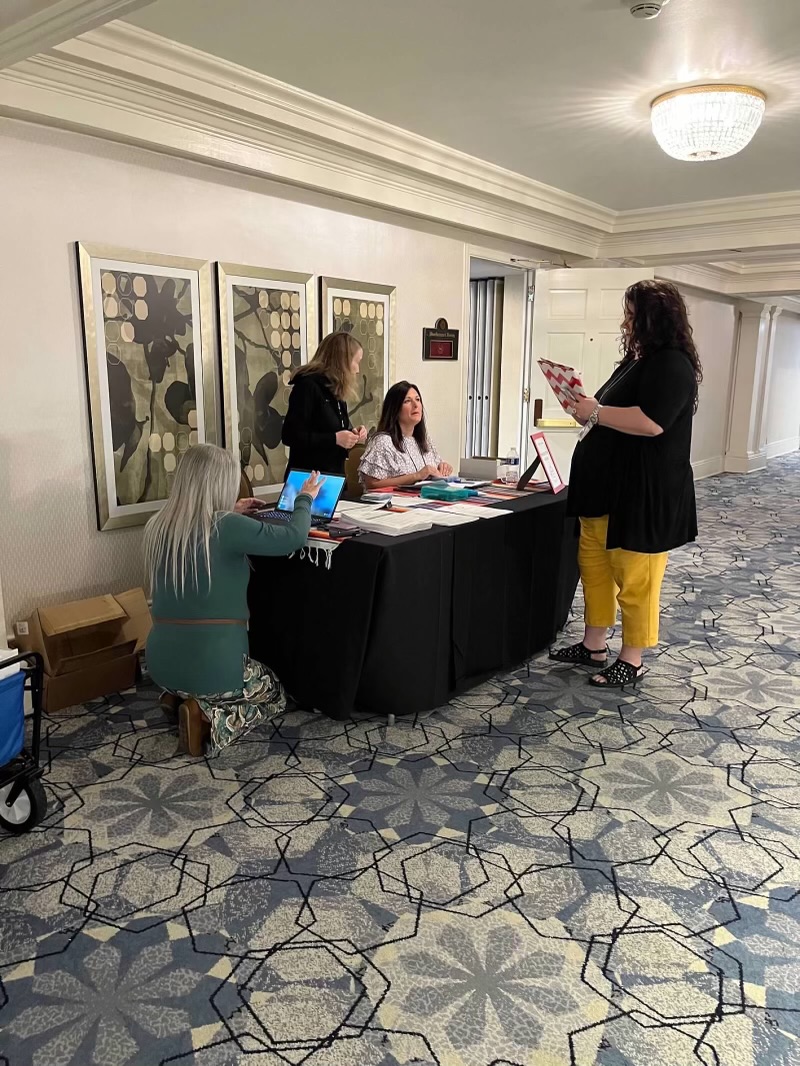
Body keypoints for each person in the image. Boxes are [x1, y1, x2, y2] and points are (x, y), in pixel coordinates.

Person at [550, 279, 702, 688]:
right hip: (604, 490)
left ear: (655, 318)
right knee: (595, 568)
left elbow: (651, 422)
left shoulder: (672, 363)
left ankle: (631, 658)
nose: (625, 320)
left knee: (637, 579)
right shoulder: (636, 361)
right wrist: (586, 408)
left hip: (642, 494)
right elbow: (607, 410)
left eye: (632, 313)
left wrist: (596, 413)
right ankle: (593, 644)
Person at [144, 443, 323, 757]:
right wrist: (305, 497)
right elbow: (294, 536)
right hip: (214, 667)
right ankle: (206, 717)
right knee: (273, 693)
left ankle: (177, 696)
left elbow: (202, 528)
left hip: (159, 663)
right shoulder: (227, 527)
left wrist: (232, 511)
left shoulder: (158, 526)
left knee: (190, 671)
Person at [281, 331, 367, 476]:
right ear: (342, 361)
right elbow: (290, 435)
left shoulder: (335, 390)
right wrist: (335, 439)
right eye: (356, 362)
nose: (357, 370)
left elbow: (332, 428)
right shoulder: (307, 387)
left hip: (333, 476)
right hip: (306, 479)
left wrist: (352, 433)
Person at [358, 381, 453, 488]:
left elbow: (435, 468)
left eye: (418, 399)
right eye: (407, 401)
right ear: (395, 409)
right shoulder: (383, 442)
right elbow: (371, 484)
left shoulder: (425, 440)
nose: (416, 405)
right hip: (394, 502)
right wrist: (416, 476)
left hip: (424, 500)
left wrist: (442, 467)